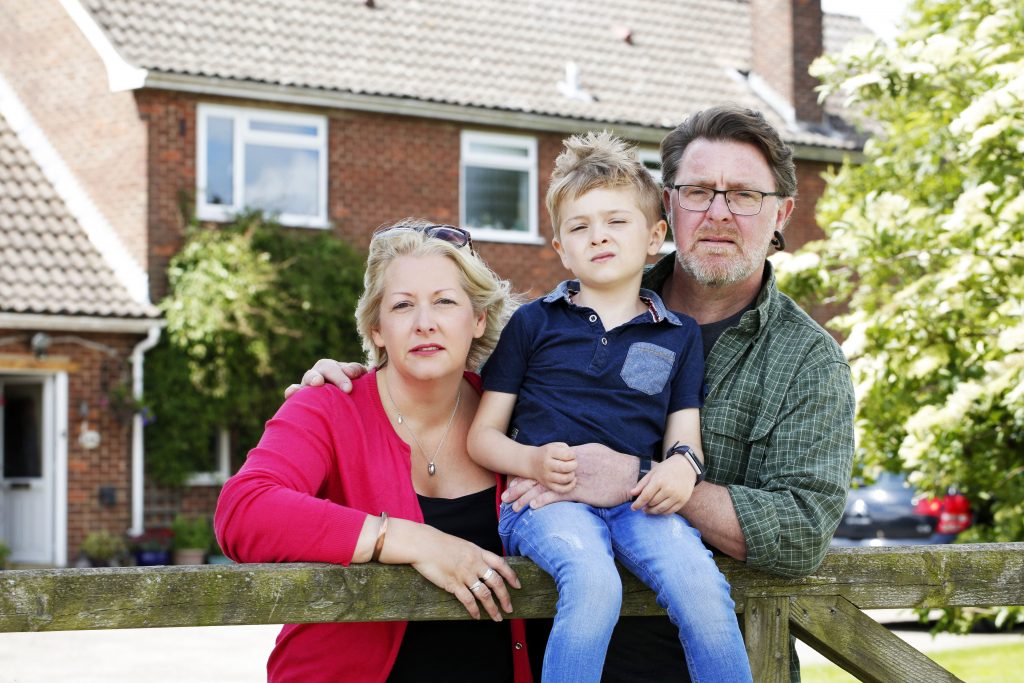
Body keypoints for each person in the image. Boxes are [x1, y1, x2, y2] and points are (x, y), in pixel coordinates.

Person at [289, 106, 856, 683]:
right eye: (698, 191)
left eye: (743, 195)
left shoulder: (806, 361)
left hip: (684, 662)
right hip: (556, 647)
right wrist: (364, 375)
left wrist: (642, 476)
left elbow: (801, 532)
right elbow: (452, 367)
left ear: (782, 211)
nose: (717, 212)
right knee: (590, 578)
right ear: (668, 208)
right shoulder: (555, 316)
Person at [466, 131, 751, 683]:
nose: (599, 236)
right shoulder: (533, 323)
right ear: (561, 249)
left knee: (700, 583)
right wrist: (534, 463)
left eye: (617, 221)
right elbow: (483, 438)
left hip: (637, 503)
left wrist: (680, 469)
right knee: (595, 583)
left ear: (654, 237)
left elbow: (684, 438)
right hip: (547, 504)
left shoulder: (678, 334)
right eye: (580, 226)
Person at [215, 220, 533, 683]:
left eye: (444, 301)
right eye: (403, 305)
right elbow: (243, 510)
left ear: (478, 319)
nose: (425, 322)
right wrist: (410, 541)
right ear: (377, 328)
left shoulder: (519, 417)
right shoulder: (327, 405)